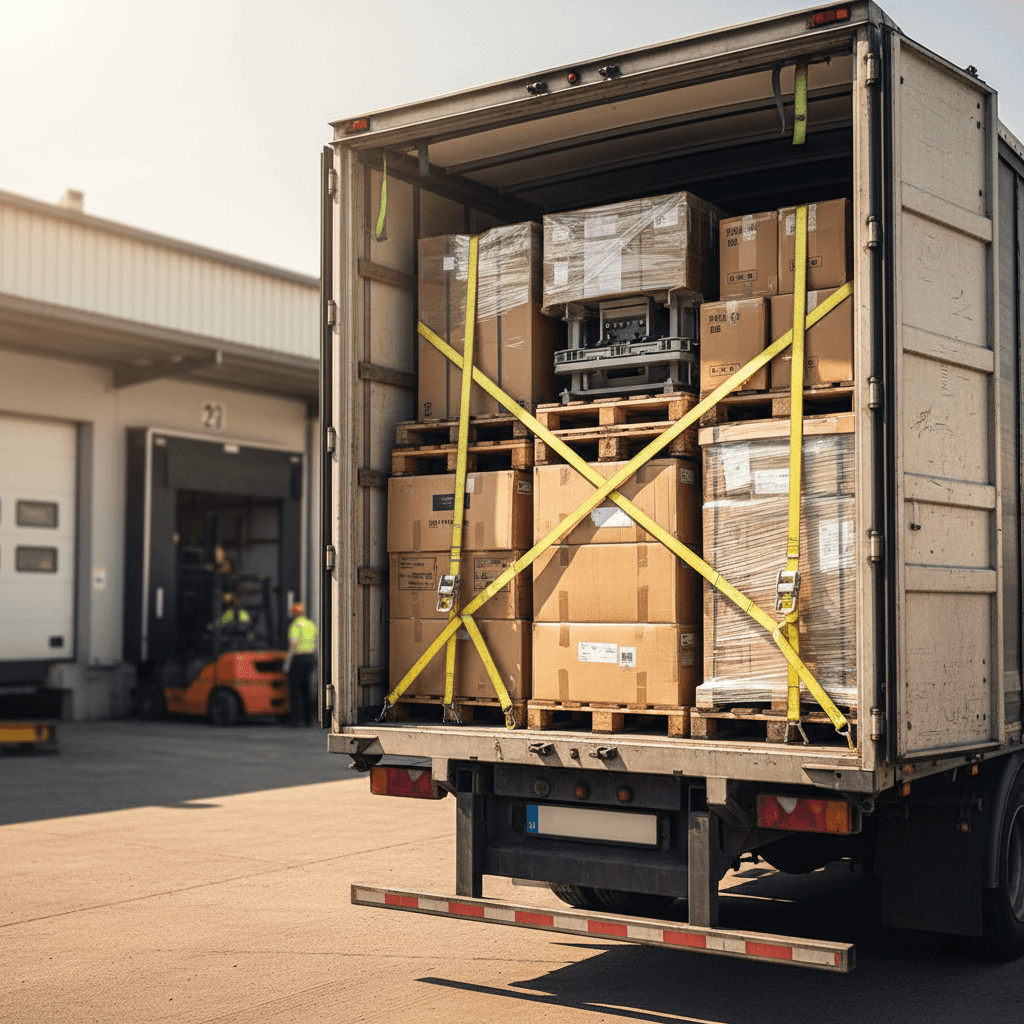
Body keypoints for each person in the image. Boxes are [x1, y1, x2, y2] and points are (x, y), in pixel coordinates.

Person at [286, 602, 317, 726]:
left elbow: (293, 644)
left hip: (298, 658)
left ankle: (294, 720)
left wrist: (287, 662)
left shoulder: (295, 626)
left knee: (294, 689)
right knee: (306, 689)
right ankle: (308, 719)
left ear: (294, 613)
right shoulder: (310, 624)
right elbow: (316, 636)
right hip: (310, 658)